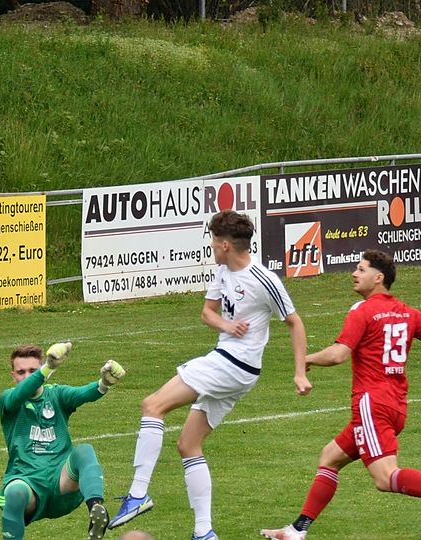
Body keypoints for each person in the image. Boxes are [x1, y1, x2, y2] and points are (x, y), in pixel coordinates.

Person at [109, 210, 311, 540]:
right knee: (188, 444)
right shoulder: (222, 271)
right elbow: (207, 313)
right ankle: (204, 532)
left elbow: (294, 322)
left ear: (226, 245)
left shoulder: (263, 279)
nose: (212, 246)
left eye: (214, 241)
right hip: (233, 365)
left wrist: (299, 373)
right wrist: (227, 326)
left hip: (233, 364)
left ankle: (138, 494)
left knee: (152, 405)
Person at [261, 249, 421, 539]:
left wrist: (305, 359)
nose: (354, 273)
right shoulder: (407, 312)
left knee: (385, 478)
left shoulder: (363, 311)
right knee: (330, 457)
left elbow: (339, 354)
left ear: (379, 278)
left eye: (361, 269)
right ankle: (297, 530)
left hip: (371, 405)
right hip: (395, 406)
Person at [0, 341, 126, 540]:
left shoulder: (56, 394)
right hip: (27, 483)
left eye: (32, 370)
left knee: (84, 451)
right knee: (14, 492)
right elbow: (20, 393)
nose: (27, 376)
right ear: (13, 375)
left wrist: (104, 384)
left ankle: (96, 508)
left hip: (61, 481)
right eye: (21, 372)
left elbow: (83, 394)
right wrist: (47, 368)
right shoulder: (8, 399)